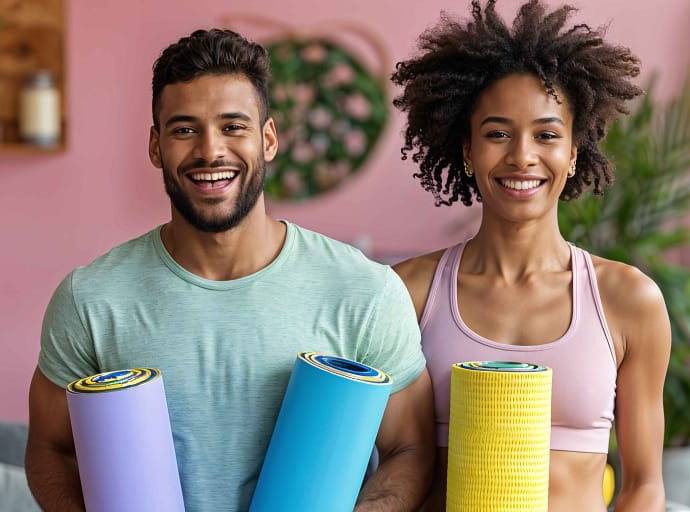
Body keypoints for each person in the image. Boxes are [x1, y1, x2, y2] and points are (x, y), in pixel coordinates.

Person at [25, 28, 434, 512]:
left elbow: (410, 449)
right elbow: (49, 448)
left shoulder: (365, 292)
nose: (209, 150)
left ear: (268, 139)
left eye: (233, 127)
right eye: (184, 129)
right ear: (156, 147)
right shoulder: (90, 298)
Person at [390, 1, 669, 510]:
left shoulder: (629, 300)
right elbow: (387, 463)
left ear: (574, 152)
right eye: (497, 134)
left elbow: (644, 486)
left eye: (546, 135)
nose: (522, 156)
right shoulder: (406, 294)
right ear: (468, 151)